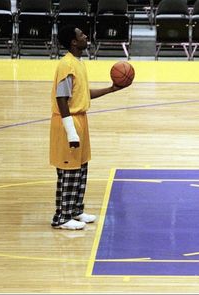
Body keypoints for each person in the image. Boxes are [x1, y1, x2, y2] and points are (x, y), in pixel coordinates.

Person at [50, 24, 130, 230]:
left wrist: (112, 89)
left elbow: (83, 94)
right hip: (68, 122)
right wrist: (71, 131)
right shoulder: (66, 65)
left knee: (81, 168)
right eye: (80, 34)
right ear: (73, 42)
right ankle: (61, 217)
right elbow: (62, 99)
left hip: (80, 120)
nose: (85, 36)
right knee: (69, 171)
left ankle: (75, 211)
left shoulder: (78, 63)